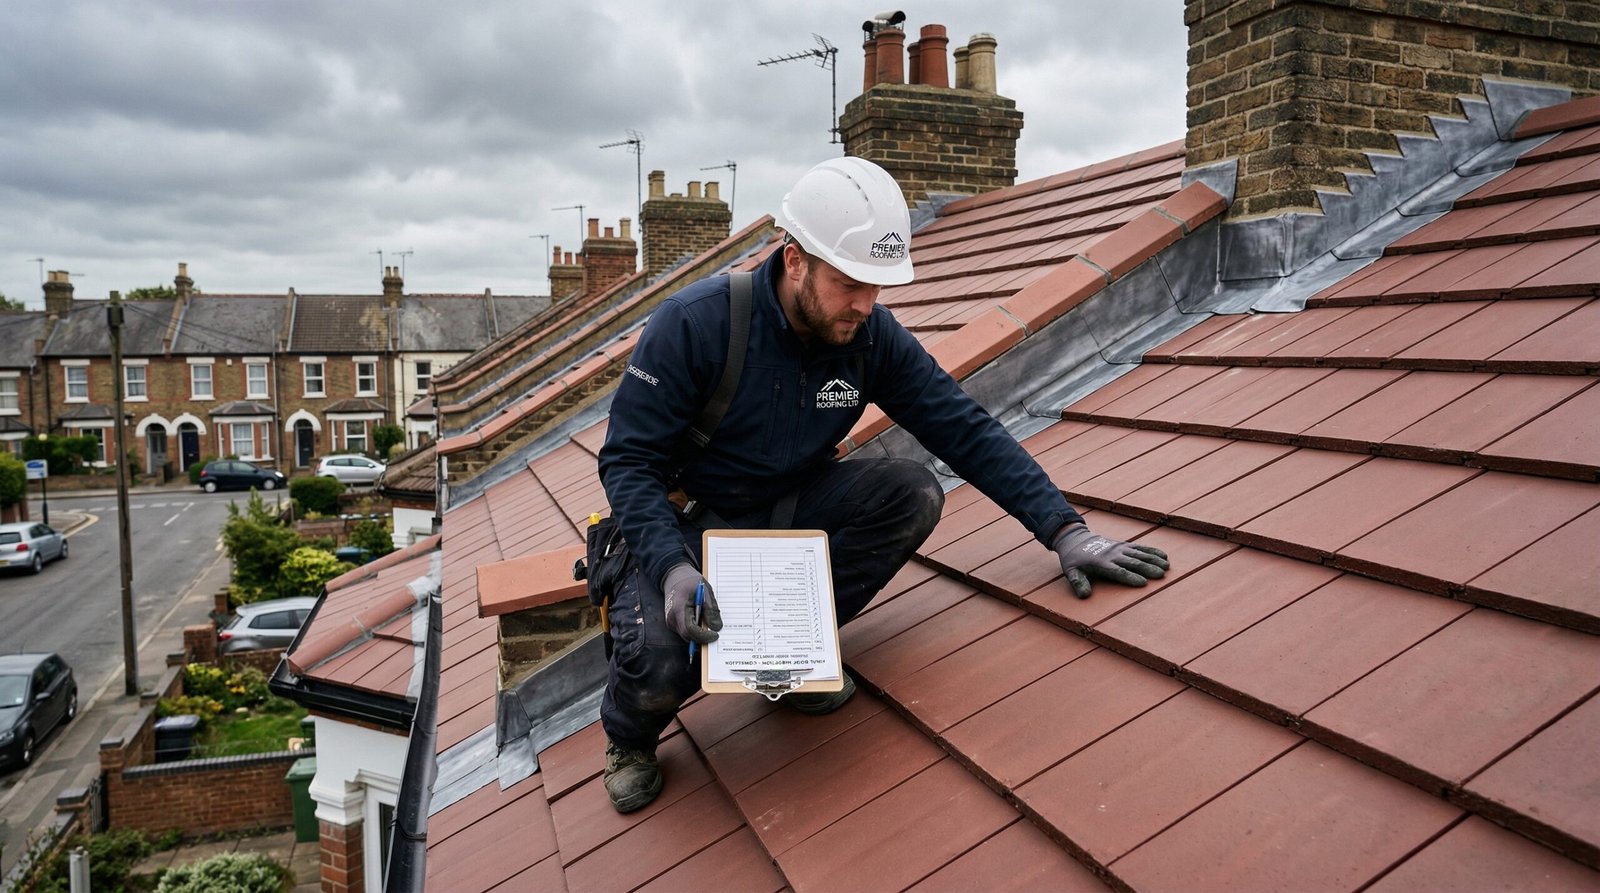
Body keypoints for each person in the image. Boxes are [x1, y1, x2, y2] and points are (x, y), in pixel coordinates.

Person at [596, 156, 1168, 813]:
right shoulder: (696, 324)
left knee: (914, 491)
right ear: (794, 260)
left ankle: (788, 655)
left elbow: (963, 429)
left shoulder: (870, 337)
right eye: (850, 283)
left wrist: (1065, 528)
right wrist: (669, 568)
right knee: (662, 665)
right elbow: (627, 463)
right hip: (685, 527)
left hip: (783, 512)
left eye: (877, 286)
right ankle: (629, 738)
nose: (866, 305)